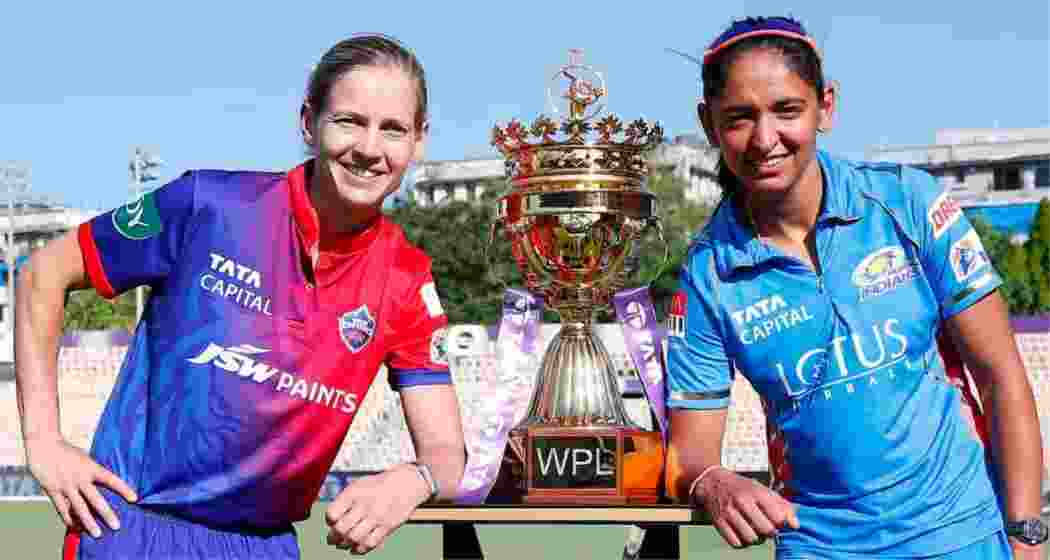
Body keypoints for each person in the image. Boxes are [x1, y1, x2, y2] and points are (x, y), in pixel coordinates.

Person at [15, 34, 466, 559]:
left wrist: (414, 479)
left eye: (392, 129)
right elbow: (40, 274)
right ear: (308, 121)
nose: (369, 148)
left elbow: (446, 454)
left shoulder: (406, 278)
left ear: (420, 140)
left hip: (263, 546)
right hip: (132, 529)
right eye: (349, 121)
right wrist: (44, 445)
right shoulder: (208, 204)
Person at [664, 16, 1045, 559]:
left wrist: (1026, 534)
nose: (765, 139)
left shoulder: (908, 203)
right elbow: (689, 454)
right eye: (740, 118)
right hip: (820, 547)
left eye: (787, 111)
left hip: (962, 536)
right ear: (708, 124)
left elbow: (1001, 374)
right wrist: (715, 483)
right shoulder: (708, 274)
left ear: (827, 107)